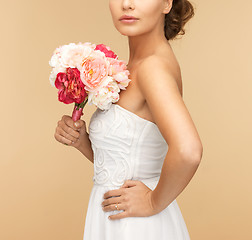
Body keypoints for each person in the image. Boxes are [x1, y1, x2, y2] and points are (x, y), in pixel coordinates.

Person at [54, 0, 203, 239]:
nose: (127, 4)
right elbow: (126, 163)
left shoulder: (152, 67)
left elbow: (189, 150)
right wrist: (83, 142)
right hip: (116, 216)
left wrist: (153, 202)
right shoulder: (134, 66)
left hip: (135, 226)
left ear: (166, 3)